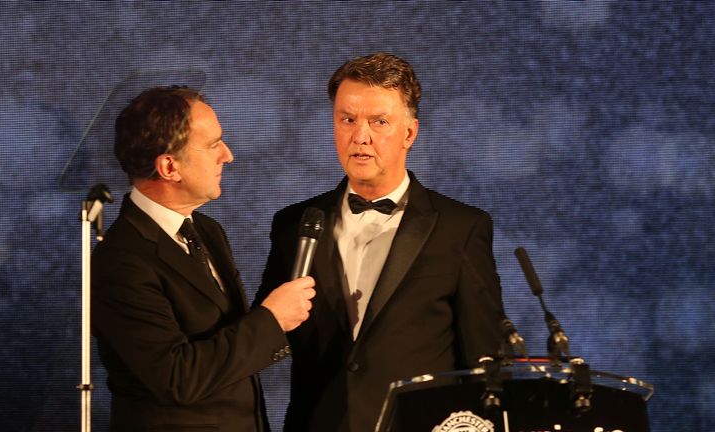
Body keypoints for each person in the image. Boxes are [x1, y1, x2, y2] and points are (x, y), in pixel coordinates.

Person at [255, 53, 506, 432]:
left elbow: (483, 361)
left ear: (409, 133)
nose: (361, 136)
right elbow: (268, 335)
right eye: (347, 120)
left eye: (379, 122)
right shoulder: (295, 225)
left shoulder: (461, 228)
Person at [92, 86, 316, 432]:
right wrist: (272, 320)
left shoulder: (206, 229)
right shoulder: (121, 261)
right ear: (169, 166)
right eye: (213, 145)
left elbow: (227, 343)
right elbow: (177, 378)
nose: (228, 155)